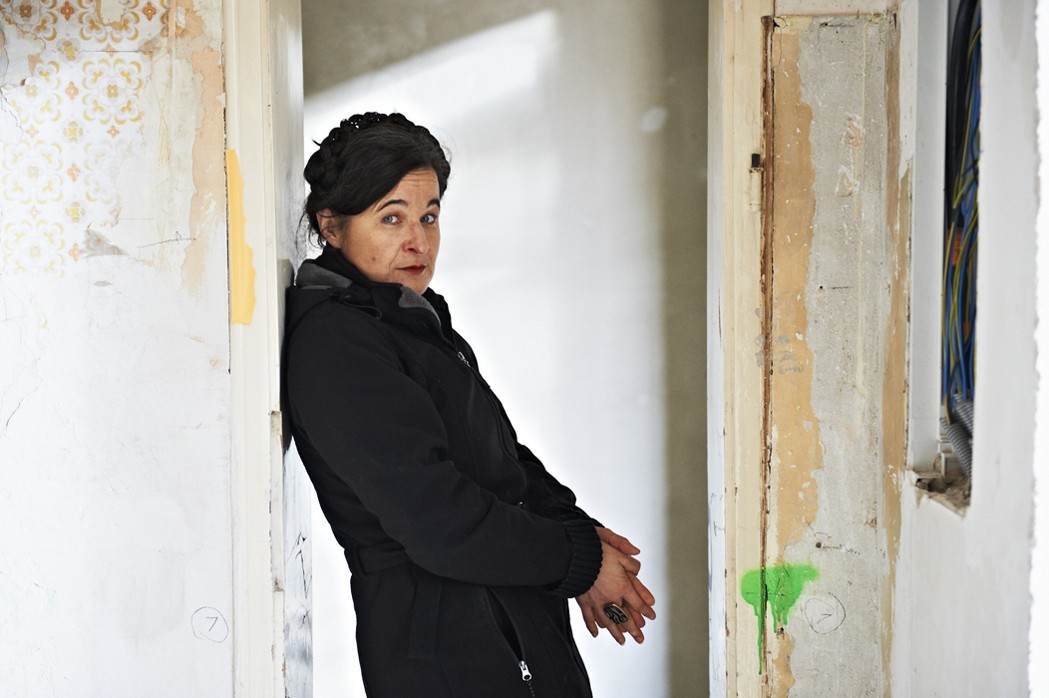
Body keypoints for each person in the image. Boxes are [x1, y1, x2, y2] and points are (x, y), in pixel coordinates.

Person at [284, 112, 656, 697]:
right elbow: (440, 521)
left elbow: (501, 459)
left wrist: (579, 533)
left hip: (506, 622)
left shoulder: (409, 319)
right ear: (331, 226)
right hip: (445, 652)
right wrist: (578, 560)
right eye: (391, 218)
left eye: (429, 216)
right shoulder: (338, 343)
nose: (419, 241)